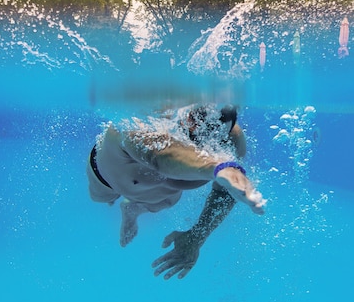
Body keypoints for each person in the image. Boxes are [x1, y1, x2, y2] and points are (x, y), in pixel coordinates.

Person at [86, 103, 267, 280]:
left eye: (216, 138)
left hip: (158, 191)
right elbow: (160, 156)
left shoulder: (230, 139)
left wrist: (197, 237)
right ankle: (125, 203)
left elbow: (224, 192)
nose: (211, 146)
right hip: (106, 179)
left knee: (165, 201)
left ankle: (132, 209)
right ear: (187, 119)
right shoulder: (144, 119)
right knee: (102, 198)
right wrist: (220, 167)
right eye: (202, 137)